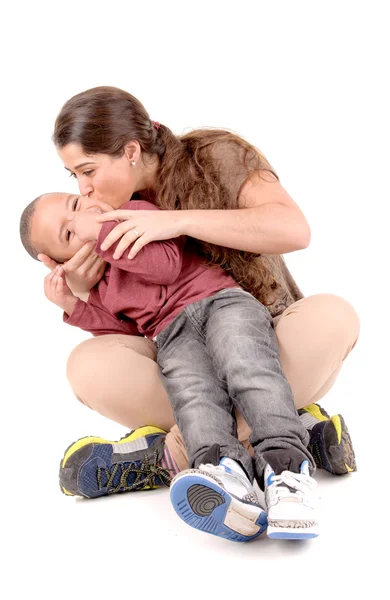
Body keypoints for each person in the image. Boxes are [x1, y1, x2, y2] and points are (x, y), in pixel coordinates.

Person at [29, 86, 359, 508]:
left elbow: (294, 229)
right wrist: (78, 299)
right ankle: (290, 435)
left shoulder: (210, 157)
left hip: (266, 343)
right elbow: (129, 326)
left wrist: (176, 222)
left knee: (332, 316)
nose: (85, 189)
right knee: (89, 366)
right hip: (184, 355)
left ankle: (173, 458)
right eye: (74, 176)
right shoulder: (103, 228)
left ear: (130, 150)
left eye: (88, 171)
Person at [21, 191, 319, 541]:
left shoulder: (133, 213)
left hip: (222, 302)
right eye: (68, 235)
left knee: (249, 369)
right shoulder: (100, 282)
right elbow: (123, 333)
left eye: (74, 206)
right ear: (62, 261)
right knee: (194, 396)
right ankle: (223, 472)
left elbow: (164, 265)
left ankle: (286, 470)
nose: (81, 219)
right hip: (171, 334)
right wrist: (76, 301)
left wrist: (98, 234)